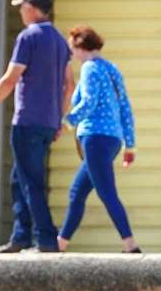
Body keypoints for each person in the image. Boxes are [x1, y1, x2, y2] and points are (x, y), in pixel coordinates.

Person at [0, 0, 73, 253]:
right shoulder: (60, 41)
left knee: (31, 182)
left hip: (28, 120)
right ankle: (21, 236)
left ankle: (47, 239)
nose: (20, 12)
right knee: (19, 179)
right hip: (48, 122)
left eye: (22, 7)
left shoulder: (28, 37)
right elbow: (69, 84)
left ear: (32, 8)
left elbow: (10, 79)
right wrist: (59, 118)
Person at [56, 25, 141, 254]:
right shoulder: (112, 68)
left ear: (80, 47)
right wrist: (129, 145)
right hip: (112, 140)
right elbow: (125, 107)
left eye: (71, 48)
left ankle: (130, 245)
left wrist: (66, 122)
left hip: (95, 138)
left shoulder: (90, 68)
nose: (71, 54)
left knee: (107, 192)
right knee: (77, 192)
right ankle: (60, 244)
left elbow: (89, 103)